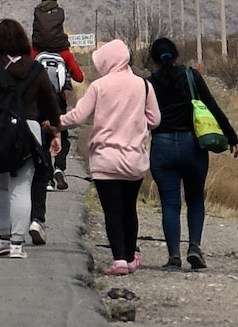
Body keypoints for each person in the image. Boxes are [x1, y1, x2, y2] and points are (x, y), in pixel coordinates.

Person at [0, 19, 62, 259]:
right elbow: (51, 104)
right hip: (28, 131)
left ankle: (2, 239)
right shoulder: (35, 69)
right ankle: (17, 243)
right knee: (21, 187)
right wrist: (55, 131)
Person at [58, 39, 161, 275]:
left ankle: (119, 260)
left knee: (112, 210)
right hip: (134, 160)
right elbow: (155, 120)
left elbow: (77, 117)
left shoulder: (99, 87)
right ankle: (129, 256)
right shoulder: (143, 86)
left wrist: (55, 123)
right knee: (129, 209)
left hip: (106, 159)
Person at [147, 37, 238, 270]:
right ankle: (195, 246)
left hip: (162, 145)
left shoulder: (148, 84)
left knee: (170, 203)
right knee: (195, 198)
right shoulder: (191, 76)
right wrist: (232, 137)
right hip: (192, 145)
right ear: (177, 56)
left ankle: (174, 256)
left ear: (153, 61)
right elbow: (211, 105)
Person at [28, 0, 86, 245]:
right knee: (61, 133)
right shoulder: (63, 50)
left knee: (42, 136)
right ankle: (61, 166)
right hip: (59, 101)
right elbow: (80, 76)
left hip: (38, 103)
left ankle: (48, 173)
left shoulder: (34, 50)